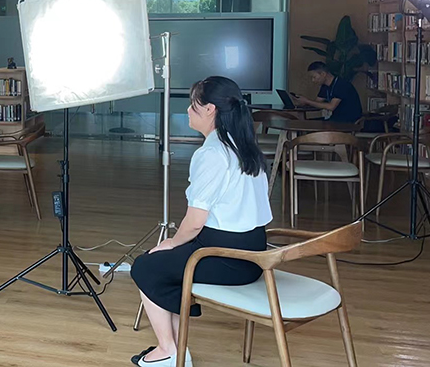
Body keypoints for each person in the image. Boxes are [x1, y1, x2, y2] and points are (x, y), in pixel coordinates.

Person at [130, 76, 272, 367]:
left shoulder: (212, 153)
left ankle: (168, 351)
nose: (187, 111)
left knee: (146, 266)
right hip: (255, 251)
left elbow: (195, 221)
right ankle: (176, 348)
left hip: (227, 257)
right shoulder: (245, 146)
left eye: (192, 105)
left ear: (210, 109)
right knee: (164, 263)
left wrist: (172, 242)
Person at [292, 61, 362, 123]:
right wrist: (303, 103)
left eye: (314, 77)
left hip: (348, 121)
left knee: (312, 125)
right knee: (306, 123)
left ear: (323, 74)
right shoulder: (325, 86)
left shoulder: (341, 85)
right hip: (335, 119)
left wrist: (307, 101)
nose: (313, 80)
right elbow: (317, 103)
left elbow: (331, 106)